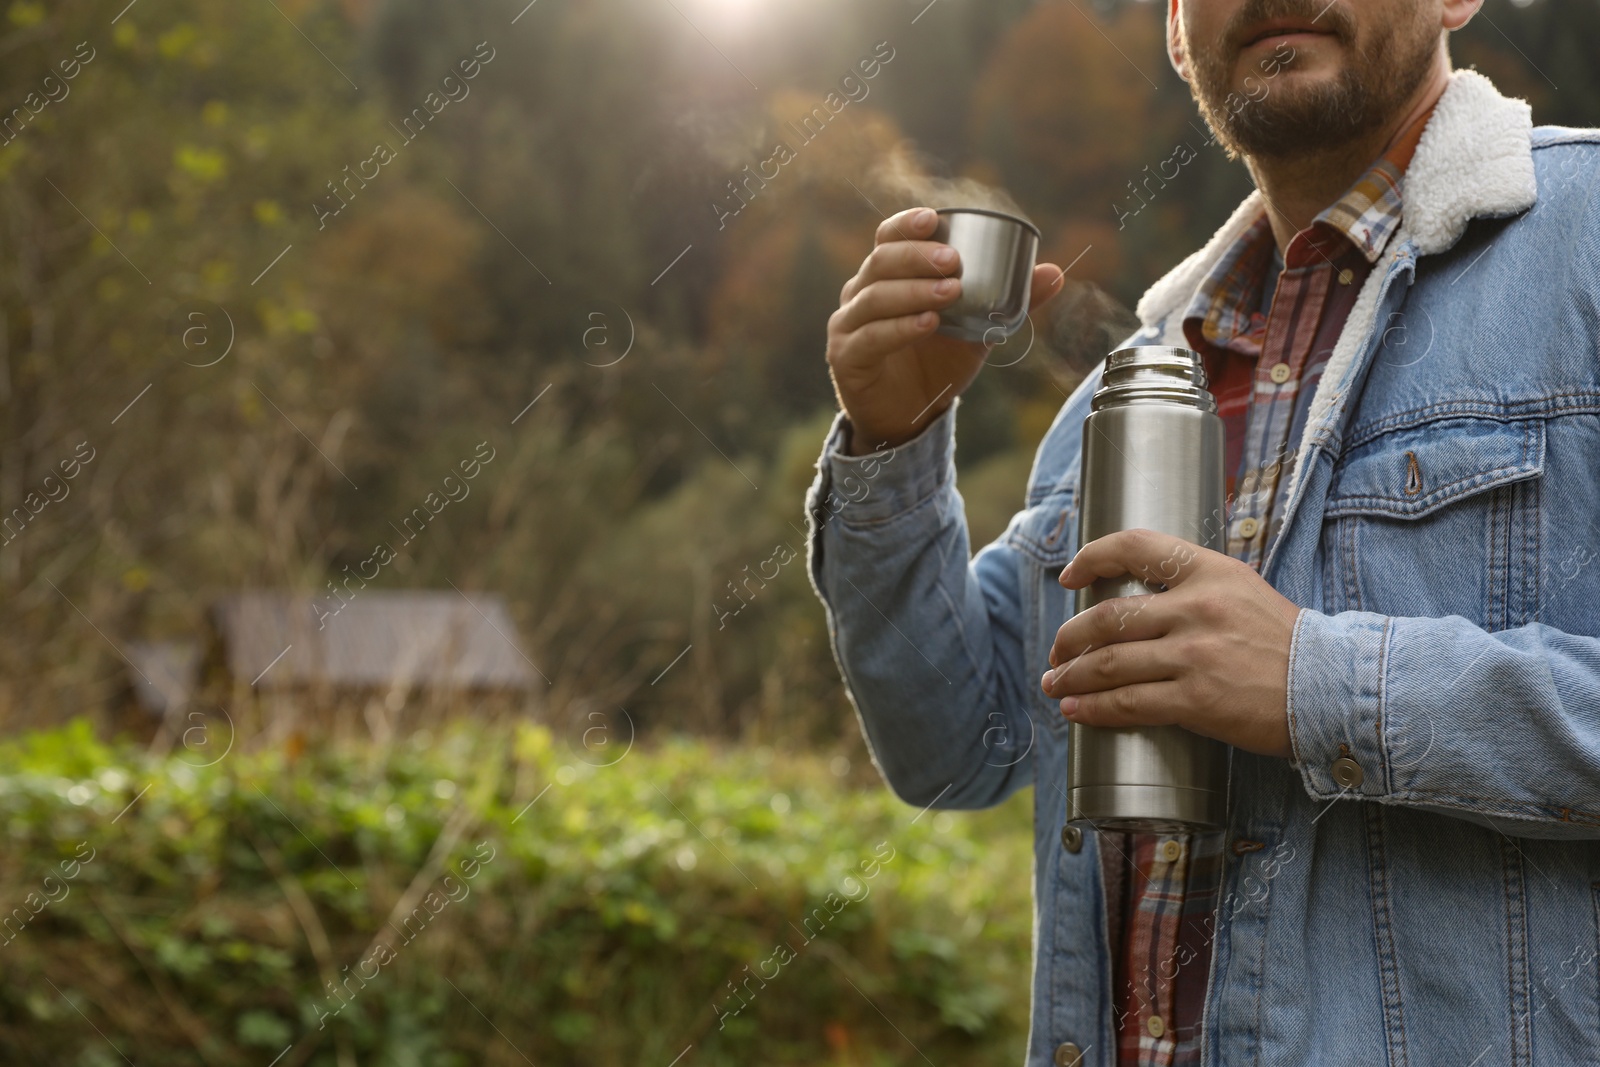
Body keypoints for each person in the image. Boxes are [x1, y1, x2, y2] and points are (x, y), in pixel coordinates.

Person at [805, 0, 1600, 1063]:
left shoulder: (1587, 244)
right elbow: (956, 748)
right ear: (1178, 32)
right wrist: (891, 441)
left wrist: (1317, 681)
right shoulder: (1115, 394)